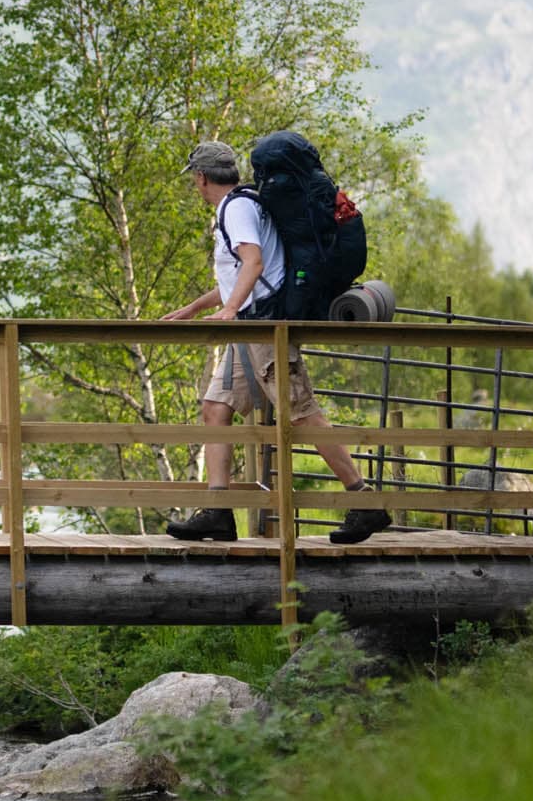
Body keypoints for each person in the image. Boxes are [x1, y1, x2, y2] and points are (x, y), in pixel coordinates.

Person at [161, 140, 391, 544]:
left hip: (263, 326)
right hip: (249, 326)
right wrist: (197, 308)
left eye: (194, 181)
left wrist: (230, 311)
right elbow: (241, 275)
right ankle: (218, 511)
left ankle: (364, 501)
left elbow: (254, 263)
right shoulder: (244, 202)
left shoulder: (235, 209)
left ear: (200, 178)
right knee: (216, 408)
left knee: (301, 413)